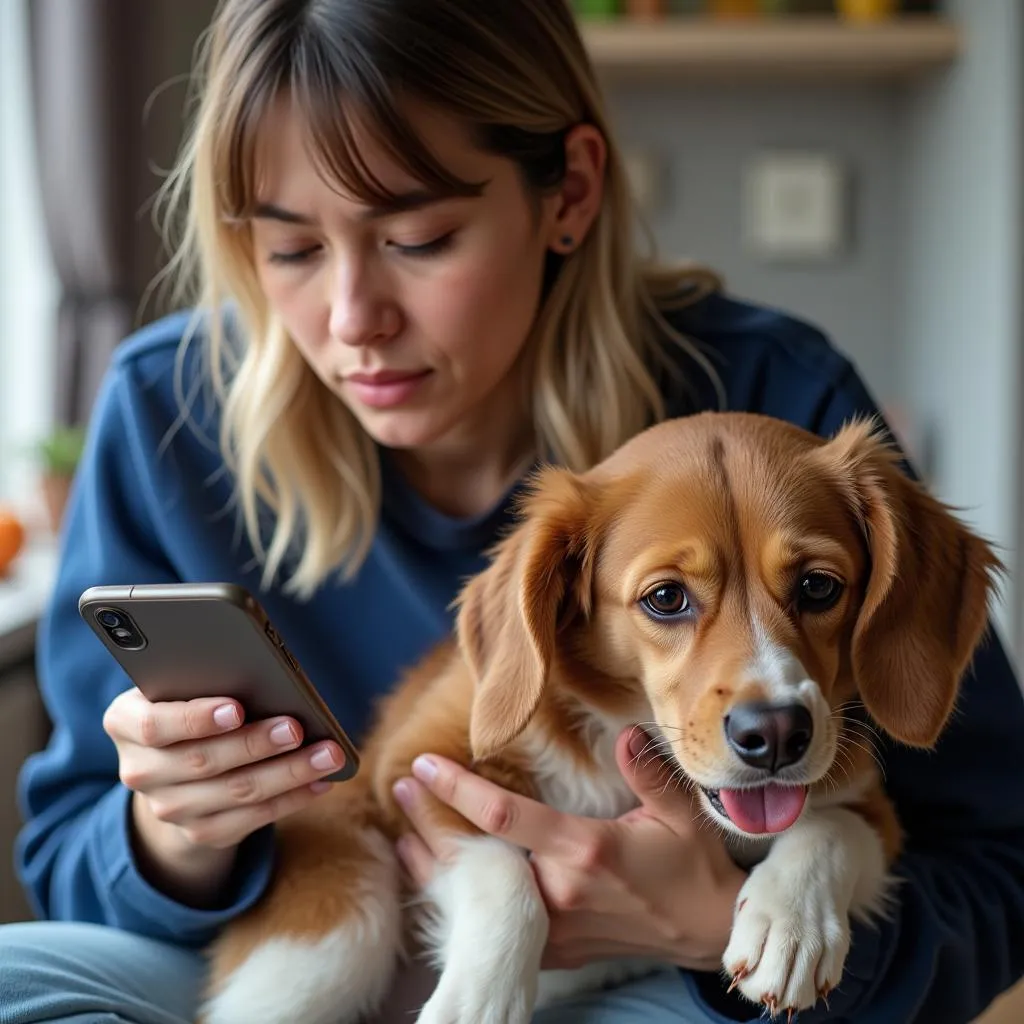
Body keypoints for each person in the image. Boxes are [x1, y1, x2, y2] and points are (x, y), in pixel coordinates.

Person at [3, 1, 1023, 1022]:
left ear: (568, 192)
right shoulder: (162, 411)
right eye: (293, 250)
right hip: (282, 931)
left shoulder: (779, 407)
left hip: (672, 985)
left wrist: (716, 936)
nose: (354, 319)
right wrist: (176, 836)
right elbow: (66, 856)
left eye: (419, 237)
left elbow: (996, 873)